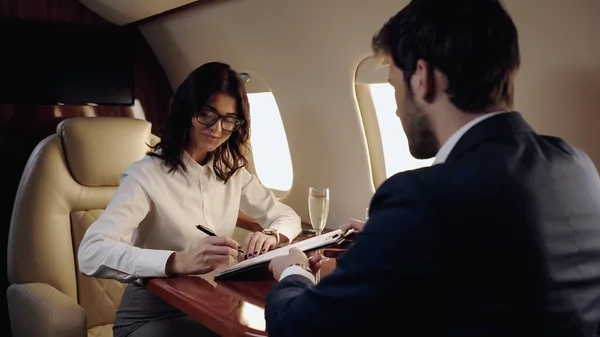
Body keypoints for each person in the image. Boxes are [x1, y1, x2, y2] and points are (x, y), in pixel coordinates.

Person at [264, 0, 600, 336]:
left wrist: (294, 271)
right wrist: (388, 235)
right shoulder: (575, 163)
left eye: (394, 85)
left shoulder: (420, 197)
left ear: (422, 78)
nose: (396, 109)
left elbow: (297, 328)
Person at [77, 61, 302, 337]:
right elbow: (91, 252)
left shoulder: (230, 172)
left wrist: (272, 234)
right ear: (187, 110)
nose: (217, 128)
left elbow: (287, 216)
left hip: (212, 304)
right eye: (208, 114)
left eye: (229, 119)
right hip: (151, 316)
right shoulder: (146, 176)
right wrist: (177, 261)